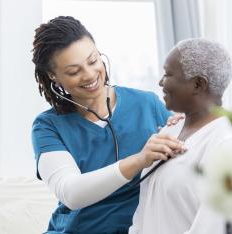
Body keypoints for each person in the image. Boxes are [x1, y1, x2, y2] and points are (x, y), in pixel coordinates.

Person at [31, 16, 186, 233]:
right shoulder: (47, 126)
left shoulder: (147, 104)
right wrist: (140, 160)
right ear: (53, 77)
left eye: (93, 60)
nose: (90, 74)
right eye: (74, 71)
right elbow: (71, 193)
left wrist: (186, 130)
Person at [129, 38, 232, 234]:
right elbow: (146, 208)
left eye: (168, 74)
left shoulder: (231, 143)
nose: (161, 82)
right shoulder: (170, 129)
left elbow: (212, 229)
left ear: (198, 84)